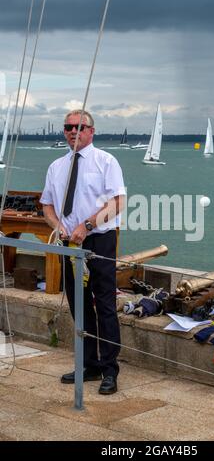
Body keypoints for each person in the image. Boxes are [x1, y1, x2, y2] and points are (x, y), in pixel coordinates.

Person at [40, 109, 126, 395]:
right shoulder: (55, 166)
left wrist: (87, 225)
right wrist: (58, 227)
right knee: (79, 304)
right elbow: (47, 206)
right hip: (69, 243)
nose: (73, 131)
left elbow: (116, 203)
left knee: (103, 305)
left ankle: (109, 369)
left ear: (91, 130)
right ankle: (88, 364)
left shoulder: (106, 162)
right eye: (68, 127)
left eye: (79, 126)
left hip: (98, 241)